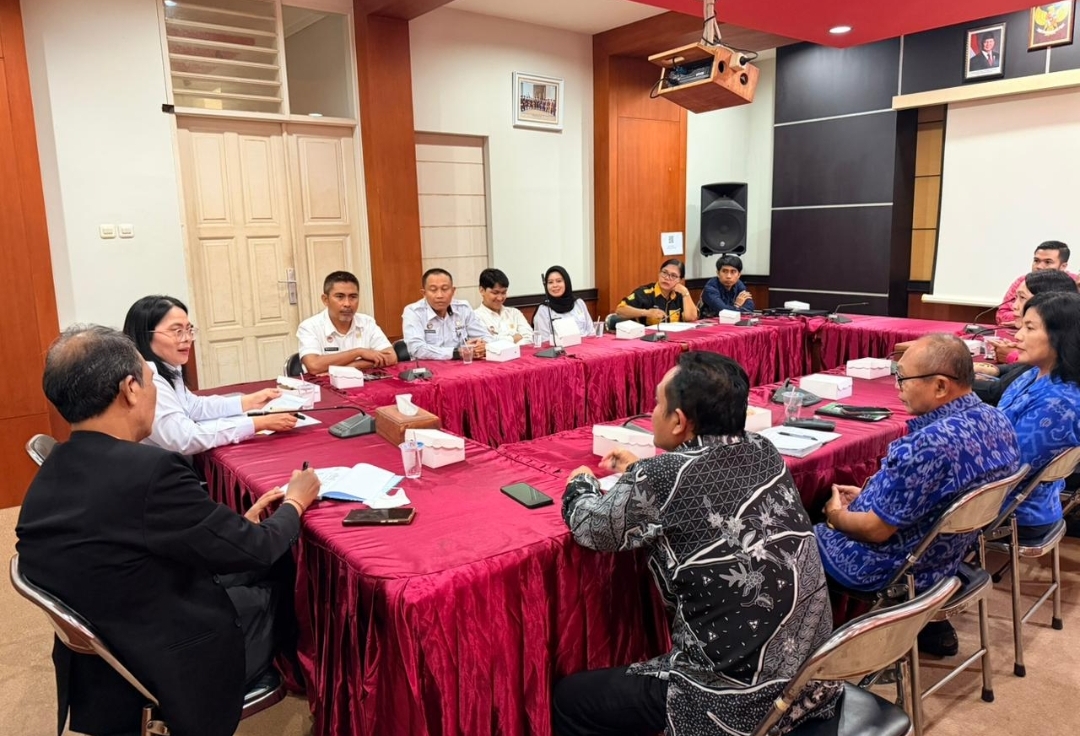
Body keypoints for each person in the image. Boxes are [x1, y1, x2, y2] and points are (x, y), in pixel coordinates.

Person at [16, 325, 321, 736]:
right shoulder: (151, 471)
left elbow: (139, 537)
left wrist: (232, 526)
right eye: (150, 381)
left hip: (103, 661)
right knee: (285, 571)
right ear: (130, 390)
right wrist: (296, 501)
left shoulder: (54, 467)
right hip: (172, 657)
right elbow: (257, 549)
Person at [554, 352, 840, 736]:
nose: (652, 413)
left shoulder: (660, 478)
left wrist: (580, 482)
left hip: (733, 702)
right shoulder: (764, 450)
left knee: (569, 699)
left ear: (678, 421)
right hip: (811, 683)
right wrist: (641, 472)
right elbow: (704, 486)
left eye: (657, 404)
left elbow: (591, 527)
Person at [816, 334, 1020, 654]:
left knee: (796, 533)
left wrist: (834, 516)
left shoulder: (928, 443)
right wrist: (873, 493)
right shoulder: (998, 420)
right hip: (948, 559)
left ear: (940, 386)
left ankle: (815, 644)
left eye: (902, 379)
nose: (897, 387)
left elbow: (876, 530)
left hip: (894, 567)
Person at [123, 295, 297, 455]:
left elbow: (193, 407)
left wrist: (250, 401)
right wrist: (258, 424)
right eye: (177, 331)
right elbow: (184, 439)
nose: (187, 338)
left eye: (189, 330)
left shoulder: (168, 368)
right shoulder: (147, 381)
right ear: (145, 336)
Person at [997, 292, 1080, 541]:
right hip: (1011, 500)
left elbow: (1009, 468)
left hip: (1014, 512)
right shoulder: (1034, 374)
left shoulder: (1060, 403)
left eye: (1030, 328)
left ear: (1061, 336)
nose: (1018, 335)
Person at [974, 269, 1078, 405]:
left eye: (1022, 298)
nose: (1014, 306)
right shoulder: (1038, 369)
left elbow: (997, 392)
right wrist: (993, 369)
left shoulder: (1055, 402)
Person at [296, 271, 397, 373]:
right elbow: (314, 365)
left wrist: (352, 366)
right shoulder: (309, 326)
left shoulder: (367, 322)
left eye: (353, 297)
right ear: (325, 299)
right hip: (324, 383)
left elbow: (391, 357)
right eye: (340, 297)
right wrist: (358, 352)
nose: (347, 304)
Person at [401, 268, 489, 360]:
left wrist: (482, 345)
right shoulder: (413, 312)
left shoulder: (463, 308)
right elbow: (417, 348)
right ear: (424, 293)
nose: (440, 295)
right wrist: (457, 352)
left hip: (460, 365)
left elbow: (484, 337)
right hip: (428, 367)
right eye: (433, 290)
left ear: (453, 291)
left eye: (445, 289)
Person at [996, 242, 1075, 326]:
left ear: (1063, 266)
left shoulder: (1074, 282)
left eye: (1047, 262)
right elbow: (1001, 315)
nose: (1039, 266)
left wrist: (1030, 319)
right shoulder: (1023, 281)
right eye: (1036, 261)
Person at [615, 258, 698, 325]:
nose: (667, 278)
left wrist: (686, 293)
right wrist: (647, 312)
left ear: (680, 280)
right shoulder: (645, 293)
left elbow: (691, 318)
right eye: (664, 272)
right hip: (648, 339)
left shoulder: (680, 295)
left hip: (675, 338)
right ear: (659, 273)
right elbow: (620, 310)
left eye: (673, 275)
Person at [533, 265, 593, 343]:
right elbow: (544, 341)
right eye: (550, 282)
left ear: (566, 282)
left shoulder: (579, 303)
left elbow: (591, 332)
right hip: (560, 349)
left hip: (586, 347)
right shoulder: (544, 309)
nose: (555, 285)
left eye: (559, 281)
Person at [474, 267, 533, 343]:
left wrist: (501, 342)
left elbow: (529, 337)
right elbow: (486, 343)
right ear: (482, 290)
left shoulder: (514, 313)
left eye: (503, 292)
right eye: (495, 293)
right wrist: (513, 339)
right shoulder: (475, 318)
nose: (500, 298)